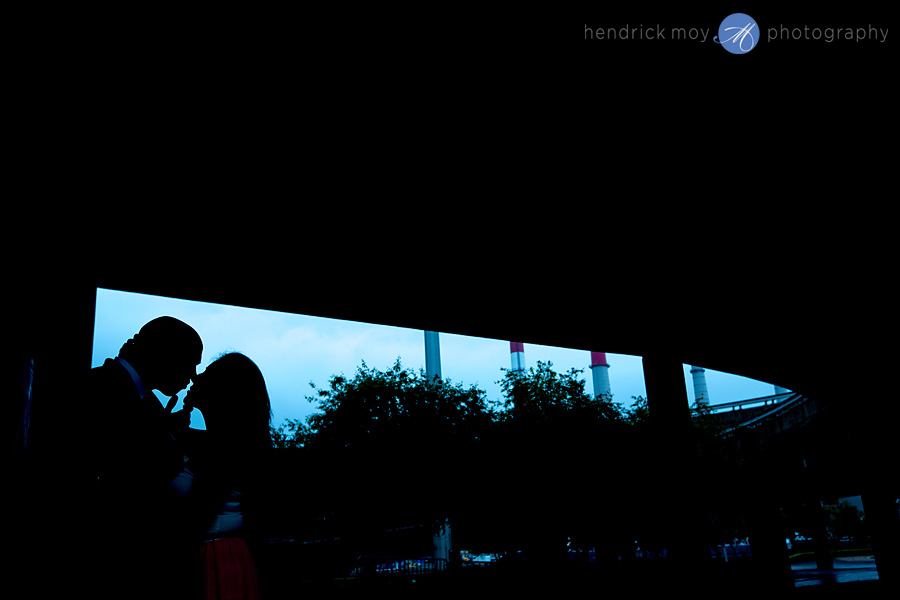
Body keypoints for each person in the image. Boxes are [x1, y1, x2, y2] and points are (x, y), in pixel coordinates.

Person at [86, 316, 203, 598]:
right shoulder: (98, 389)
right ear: (165, 353)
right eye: (191, 362)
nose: (193, 377)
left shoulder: (145, 403)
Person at [176, 352, 272, 600]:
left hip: (215, 558)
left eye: (205, 374)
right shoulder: (227, 444)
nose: (195, 378)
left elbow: (196, 512)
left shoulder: (225, 449)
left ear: (223, 390)